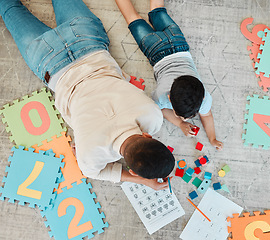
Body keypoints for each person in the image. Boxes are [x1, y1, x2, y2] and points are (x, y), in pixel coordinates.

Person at [0, 0, 175, 190]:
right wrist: (141, 180)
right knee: (9, 8)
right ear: (132, 170)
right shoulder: (91, 156)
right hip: (47, 60)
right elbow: (95, 173)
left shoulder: (153, 116)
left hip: (85, 39)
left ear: (149, 136)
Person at [115, 0, 224, 150]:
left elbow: (206, 116)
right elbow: (160, 109)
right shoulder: (160, 96)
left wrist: (212, 138)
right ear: (168, 98)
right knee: (132, 18)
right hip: (154, 49)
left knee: (158, 10)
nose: (184, 119)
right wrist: (180, 124)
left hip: (177, 41)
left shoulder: (205, 98)